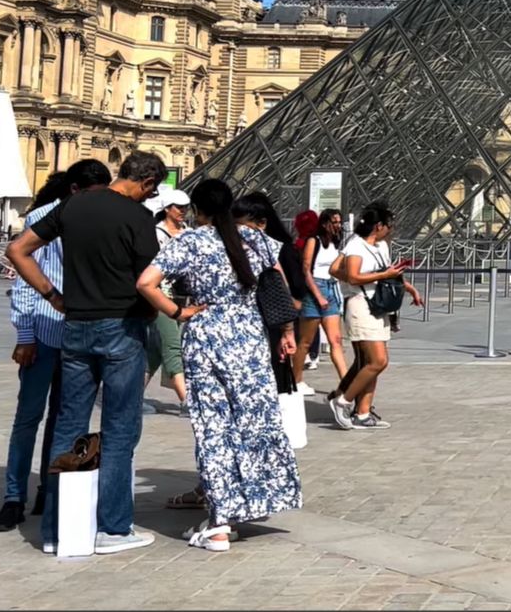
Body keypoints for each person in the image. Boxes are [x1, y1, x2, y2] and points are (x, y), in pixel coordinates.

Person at [5, 149, 167, 555]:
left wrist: (52, 295)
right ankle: (112, 527)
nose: (150, 199)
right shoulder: (139, 218)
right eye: (152, 191)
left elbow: (18, 250)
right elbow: (148, 280)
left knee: (68, 424)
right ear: (146, 183)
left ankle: (58, 530)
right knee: (119, 427)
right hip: (122, 328)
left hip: (74, 326)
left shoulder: (72, 206)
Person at [136, 179, 301, 552]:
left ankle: (220, 524)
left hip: (207, 334)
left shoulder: (190, 242)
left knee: (214, 428)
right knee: (254, 421)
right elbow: (277, 284)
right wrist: (286, 330)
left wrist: (178, 311)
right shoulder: (253, 239)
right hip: (248, 337)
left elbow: (146, 283)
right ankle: (253, 502)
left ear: (197, 210)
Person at [0, 160, 112, 534]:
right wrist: (24, 335)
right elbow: (26, 279)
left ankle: (50, 487)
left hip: (81, 335)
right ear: (75, 191)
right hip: (44, 331)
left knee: (67, 419)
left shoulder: (103, 220)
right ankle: (14, 497)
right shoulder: (43, 217)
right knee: (28, 417)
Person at [327, 202, 422, 431]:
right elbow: (352, 276)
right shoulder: (357, 247)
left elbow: (387, 274)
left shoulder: (380, 246)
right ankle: (342, 401)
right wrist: (382, 274)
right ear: (378, 225)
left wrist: (409, 288)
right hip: (361, 306)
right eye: (389, 225)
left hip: (378, 306)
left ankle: (363, 412)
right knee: (378, 361)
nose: (391, 229)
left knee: (370, 363)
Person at [233, 191, 302, 394]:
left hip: (270, 326)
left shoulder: (275, 249)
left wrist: (287, 330)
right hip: (248, 330)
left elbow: (288, 287)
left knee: (271, 382)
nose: (240, 233)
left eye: (244, 226)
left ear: (262, 223)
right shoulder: (230, 248)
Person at [146, 188, 192, 414]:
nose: (183, 211)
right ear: (166, 209)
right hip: (161, 296)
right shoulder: (155, 233)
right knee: (173, 346)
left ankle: (130, 398)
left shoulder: (188, 232)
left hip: (183, 298)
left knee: (154, 352)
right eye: (178, 207)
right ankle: (186, 400)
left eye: (185, 207)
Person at [296, 209, 350, 384]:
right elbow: (306, 269)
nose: (338, 225)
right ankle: (296, 381)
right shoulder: (314, 240)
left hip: (332, 287)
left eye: (339, 222)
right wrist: (318, 296)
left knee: (336, 340)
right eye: (335, 222)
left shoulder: (335, 243)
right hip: (315, 289)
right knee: (305, 341)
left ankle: (346, 382)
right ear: (325, 223)